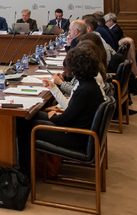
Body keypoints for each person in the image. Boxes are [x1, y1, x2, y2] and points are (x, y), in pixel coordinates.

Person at [17, 40, 106, 175]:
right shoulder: (89, 83)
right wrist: (55, 115)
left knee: (25, 126)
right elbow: (71, 113)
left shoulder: (84, 90)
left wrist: (55, 116)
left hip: (76, 138)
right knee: (32, 116)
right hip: (80, 131)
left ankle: (25, 173)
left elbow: (64, 120)